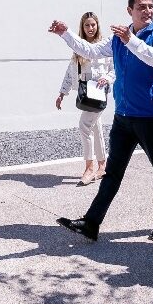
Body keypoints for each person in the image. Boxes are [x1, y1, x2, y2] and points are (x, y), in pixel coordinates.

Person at [49, 0, 153, 242]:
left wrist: (131, 39)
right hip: (124, 117)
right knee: (112, 172)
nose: (148, 11)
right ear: (130, 10)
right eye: (141, 6)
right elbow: (89, 50)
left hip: (151, 116)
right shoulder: (119, 38)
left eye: (150, 6)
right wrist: (65, 33)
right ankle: (91, 222)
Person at [56, 12, 113, 186]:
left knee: (84, 126)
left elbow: (116, 68)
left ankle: (89, 168)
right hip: (85, 94)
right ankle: (102, 165)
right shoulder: (79, 47)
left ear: (97, 26)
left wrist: (108, 78)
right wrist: (62, 93)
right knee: (95, 128)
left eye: (93, 25)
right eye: (87, 25)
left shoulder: (105, 46)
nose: (90, 28)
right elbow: (70, 71)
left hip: (99, 92)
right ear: (82, 27)